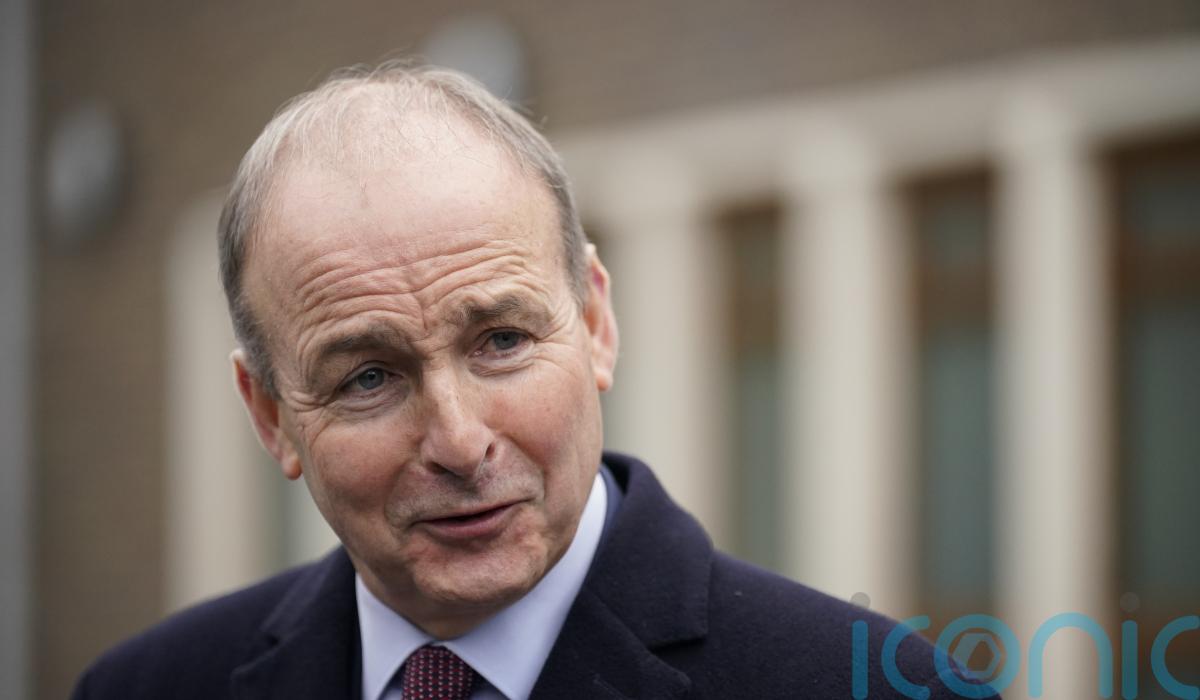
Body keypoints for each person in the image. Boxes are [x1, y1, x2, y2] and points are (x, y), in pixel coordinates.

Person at [71, 63, 998, 699]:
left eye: (503, 341)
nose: (458, 440)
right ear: (272, 415)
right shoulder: (146, 689)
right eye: (369, 378)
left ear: (595, 325)